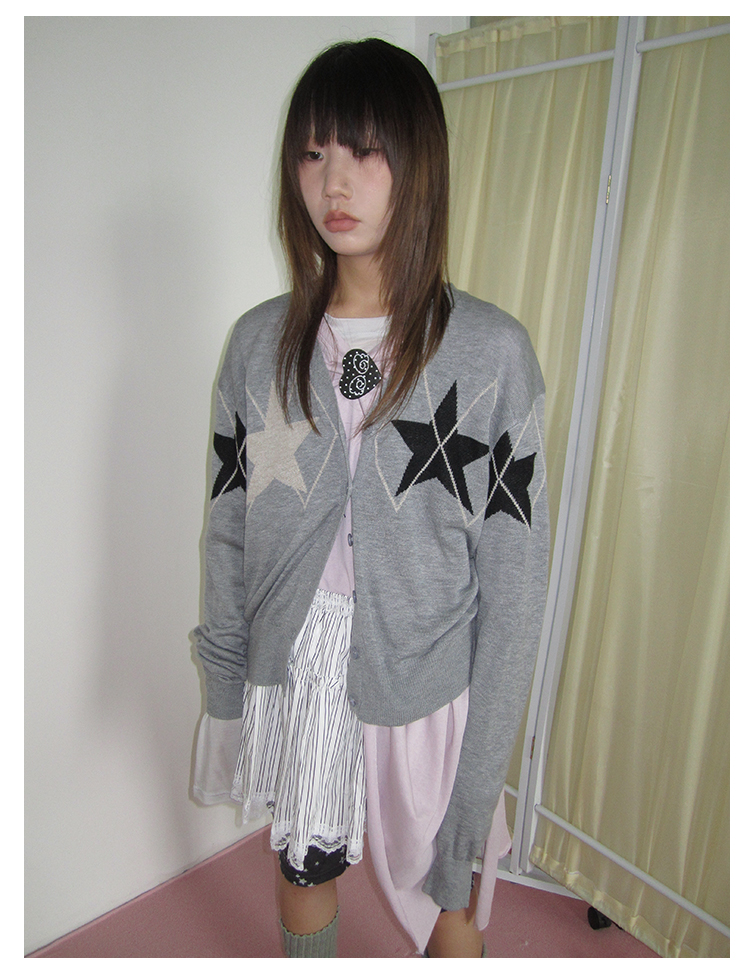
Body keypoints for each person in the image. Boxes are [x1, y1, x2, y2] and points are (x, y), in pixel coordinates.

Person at [192, 37, 549, 958]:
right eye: (313, 153)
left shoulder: (491, 353)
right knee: (303, 862)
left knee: (449, 898)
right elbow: (227, 529)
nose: (334, 182)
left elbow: (514, 587)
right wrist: (227, 683)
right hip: (300, 663)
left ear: (418, 163)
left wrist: (483, 768)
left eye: (365, 150)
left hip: (427, 681)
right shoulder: (258, 344)